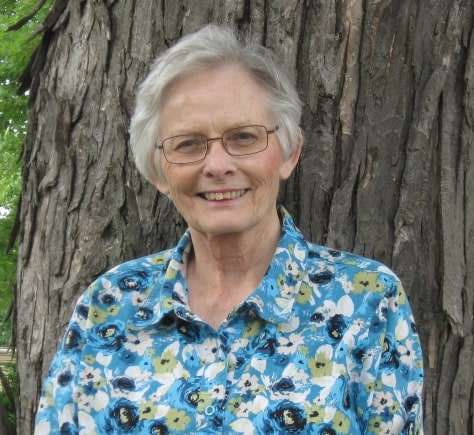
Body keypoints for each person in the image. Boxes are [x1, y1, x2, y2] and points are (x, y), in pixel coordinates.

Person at [34, 25, 423, 434]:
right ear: (158, 172)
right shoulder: (111, 303)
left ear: (290, 152)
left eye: (243, 137)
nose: (217, 165)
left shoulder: (367, 300)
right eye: (187, 144)